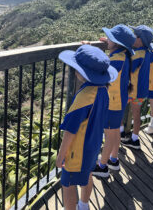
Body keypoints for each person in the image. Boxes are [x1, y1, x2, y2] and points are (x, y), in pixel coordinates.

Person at [56, 44, 118, 210]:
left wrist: (61, 155)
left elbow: (70, 132)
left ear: (82, 73)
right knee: (87, 175)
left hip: (78, 150)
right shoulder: (103, 91)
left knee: (68, 184)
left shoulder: (83, 98)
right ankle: (84, 205)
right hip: (93, 146)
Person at [92, 24, 136, 177]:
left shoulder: (117, 59)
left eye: (110, 38)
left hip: (112, 103)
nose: (107, 40)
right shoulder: (123, 54)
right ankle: (113, 159)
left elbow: (105, 71)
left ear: (116, 43)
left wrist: (91, 51)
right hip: (119, 101)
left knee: (110, 135)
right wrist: (109, 42)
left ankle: (102, 167)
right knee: (115, 131)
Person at [120, 25, 153, 149]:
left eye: (135, 35)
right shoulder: (146, 52)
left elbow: (129, 66)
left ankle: (122, 133)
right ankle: (134, 138)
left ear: (140, 40)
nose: (133, 37)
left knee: (119, 109)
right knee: (136, 114)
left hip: (133, 90)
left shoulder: (138, 54)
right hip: (141, 90)